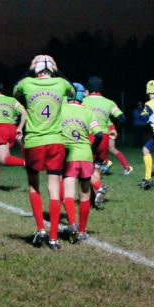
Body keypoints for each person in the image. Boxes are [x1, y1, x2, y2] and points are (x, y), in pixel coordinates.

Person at [13, 55, 74, 249]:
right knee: (55, 191)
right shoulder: (61, 83)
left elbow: (15, 90)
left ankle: (41, 229)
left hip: (33, 142)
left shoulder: (26, 83)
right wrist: (58, 70)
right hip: (56, 141)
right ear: (53, 69)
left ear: (34, 69)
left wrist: (29, 70)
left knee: (33, 186)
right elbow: (72, 90)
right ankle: (54, 237)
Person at [60, 83, 104, 244]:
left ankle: (72, 224)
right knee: (85, 195)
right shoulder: (87, 111)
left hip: (69, 156)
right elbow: (99, 134)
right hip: (86, 155)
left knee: (69, 195)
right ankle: (82, 231)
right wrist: (91, 148)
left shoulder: (61, 109)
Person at [82, 76, 129, 207]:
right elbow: (122, 118)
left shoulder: (83, 101)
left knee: (86, 170)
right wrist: (115, 129)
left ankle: (98, 190)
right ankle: (96, 198)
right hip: (104, 138)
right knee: (96, 169)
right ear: (101, 88)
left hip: (89, 137)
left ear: (89, 88)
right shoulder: (109, 102)